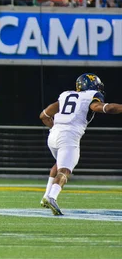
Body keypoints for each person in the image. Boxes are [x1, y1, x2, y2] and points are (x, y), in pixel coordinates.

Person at [39, 74, 122, 216]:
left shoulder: (66, 95)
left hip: (53, 135)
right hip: (69, 136)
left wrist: (55, 128)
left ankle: (46, 196)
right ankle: (52, 197)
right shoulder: (91, 95)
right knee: (64, 171)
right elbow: (100, 107)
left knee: (58, 165)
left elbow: (44, 115)